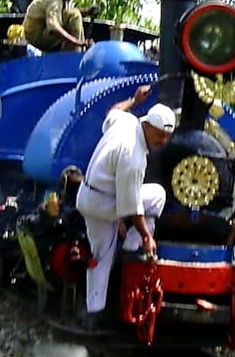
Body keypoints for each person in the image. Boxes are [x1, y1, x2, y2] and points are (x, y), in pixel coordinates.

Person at [76, 84, 176, 329]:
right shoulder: (134, 157)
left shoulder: (126, 122)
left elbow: (112, 111)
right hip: (106, 202)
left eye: (167, 137)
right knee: (158, 195)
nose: (162, 142)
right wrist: (145, 236)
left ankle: (94, 315)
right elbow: (131, 206)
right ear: (148, 126)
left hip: (90, 197)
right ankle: (133, 248)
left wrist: (133, 99)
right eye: (159, 136)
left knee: (101, 256)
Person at [23, 0, 95, 52]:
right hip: (36, 38)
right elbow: (53, 28)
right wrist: (77, 42)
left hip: (42, 32)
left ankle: (75, 51)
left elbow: (64, 14)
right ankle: (73, 55)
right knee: (75, 15)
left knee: (75, 13)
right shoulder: (55, 0)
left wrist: (87, 12)